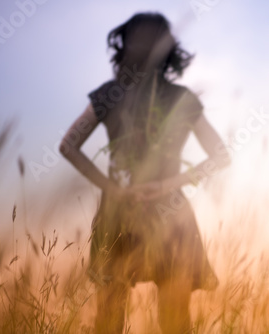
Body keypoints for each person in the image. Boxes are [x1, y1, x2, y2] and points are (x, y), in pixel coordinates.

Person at [60, 12, 230, 334]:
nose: (148, 44)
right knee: (159, 320)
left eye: (152, 38)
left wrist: (116, 189)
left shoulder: (114, 93)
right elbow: (220, 156)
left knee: (123, 320)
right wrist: (163, 185)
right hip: (156, 211)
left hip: (132, 211)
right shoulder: (176, 97)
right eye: (143, 37)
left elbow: (68, 145)